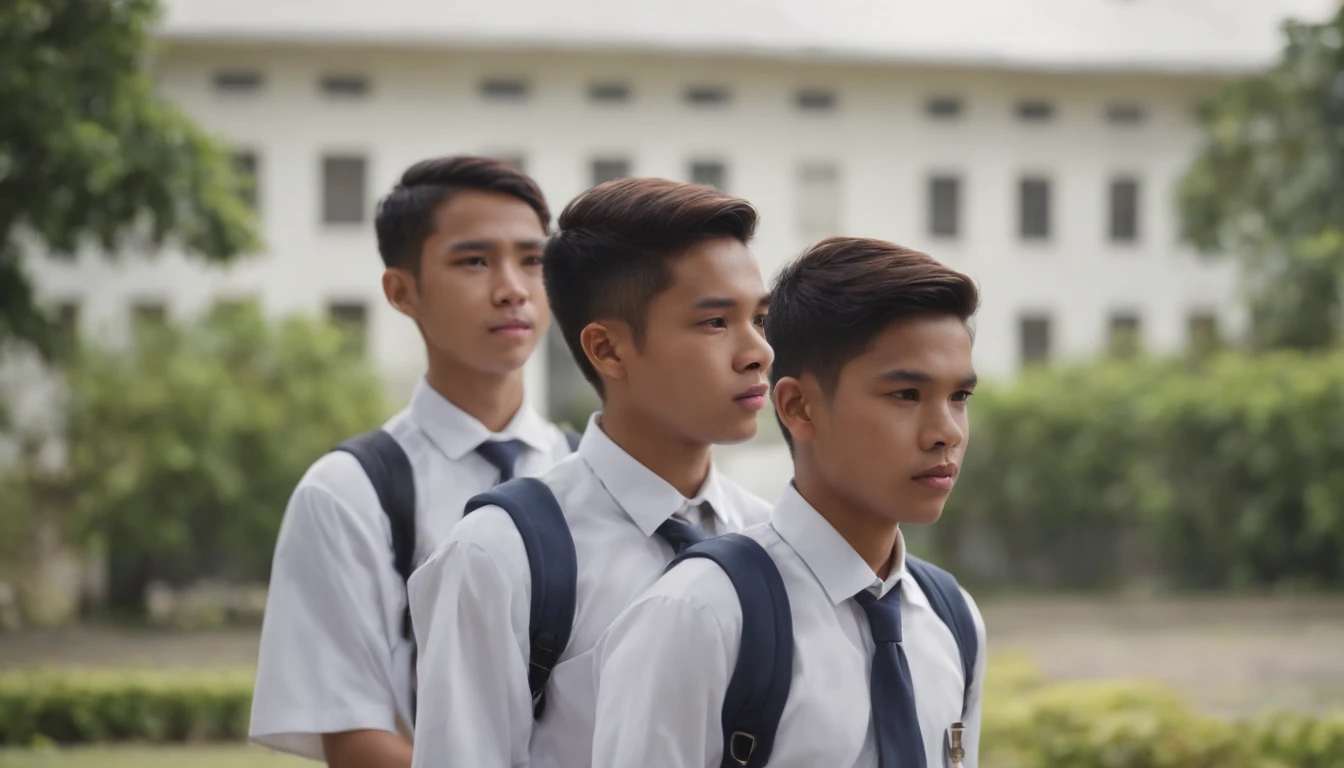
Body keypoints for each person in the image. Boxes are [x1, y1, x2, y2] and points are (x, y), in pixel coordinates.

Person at [407, 177, 775, 768]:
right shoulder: (499, 556)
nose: (758, 351)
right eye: (714, 323)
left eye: (760, 318)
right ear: (607, 350)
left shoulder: (773, 541)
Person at [591, 237, 988, 768]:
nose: (946, 433)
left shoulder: (952, 617)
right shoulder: (699, 614)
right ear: (799, 407)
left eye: (959, 397)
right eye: (906, 396)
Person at [250, 156, 575, 768]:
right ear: (402, 291)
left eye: (533, 260)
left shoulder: (590, 472)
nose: (513, 288)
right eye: (474, 260)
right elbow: (354, 737)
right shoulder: (348, 491)